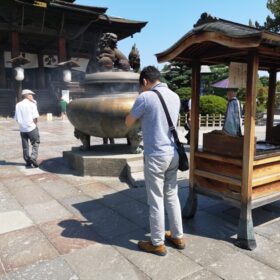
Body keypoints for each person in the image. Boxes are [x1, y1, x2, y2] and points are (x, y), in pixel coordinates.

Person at [125, 66, 185, 256]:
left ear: (144, 81)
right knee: (172, 195)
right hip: (173, 153)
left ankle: (157, 242)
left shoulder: (146, 97)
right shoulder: (175, 96)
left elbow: (128, 121)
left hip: (156, 155)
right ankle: (178, 235)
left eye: (141, 85)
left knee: (156, 200)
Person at [15, 89, 40, 168]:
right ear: (27, 95)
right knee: (35, 143)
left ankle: (27, 161)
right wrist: (35, 126)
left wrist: (22, 125)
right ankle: (33, 158)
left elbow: (16, 118)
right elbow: (35, 117)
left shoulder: (18, 105)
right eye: (31, 94)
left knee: (25, 146)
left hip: (22, 129)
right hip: (31, 127)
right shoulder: (32, 104)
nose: (32, 96)